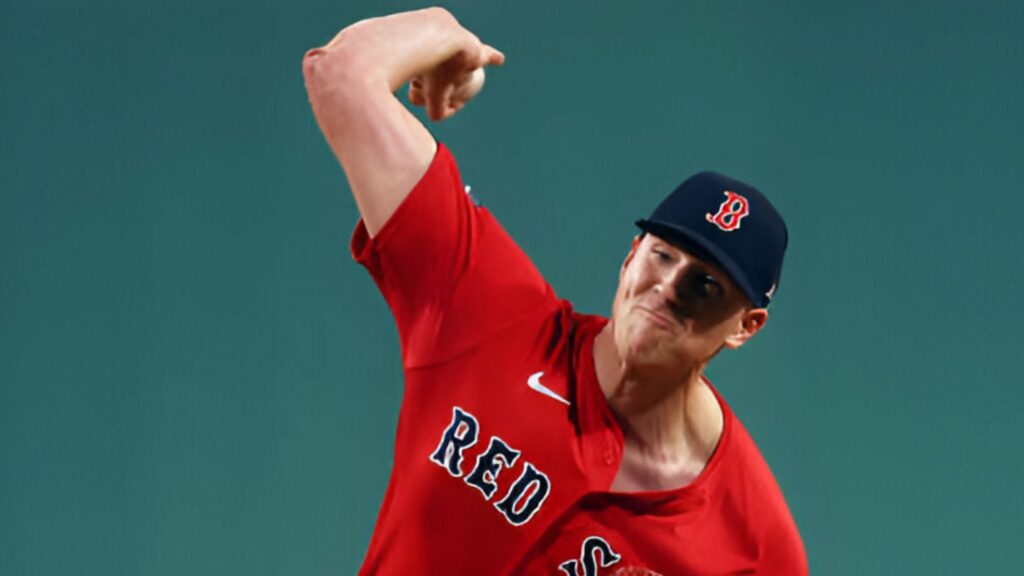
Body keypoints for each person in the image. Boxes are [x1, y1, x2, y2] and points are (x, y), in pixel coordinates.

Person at [302, 7, 807, 575]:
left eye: (705, 285)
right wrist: (443, 32)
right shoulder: (486, 310)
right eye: (662, 255)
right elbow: (341, 75)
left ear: (746, 326)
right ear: (630, 257)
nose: (667, 287)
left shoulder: (755, 545)